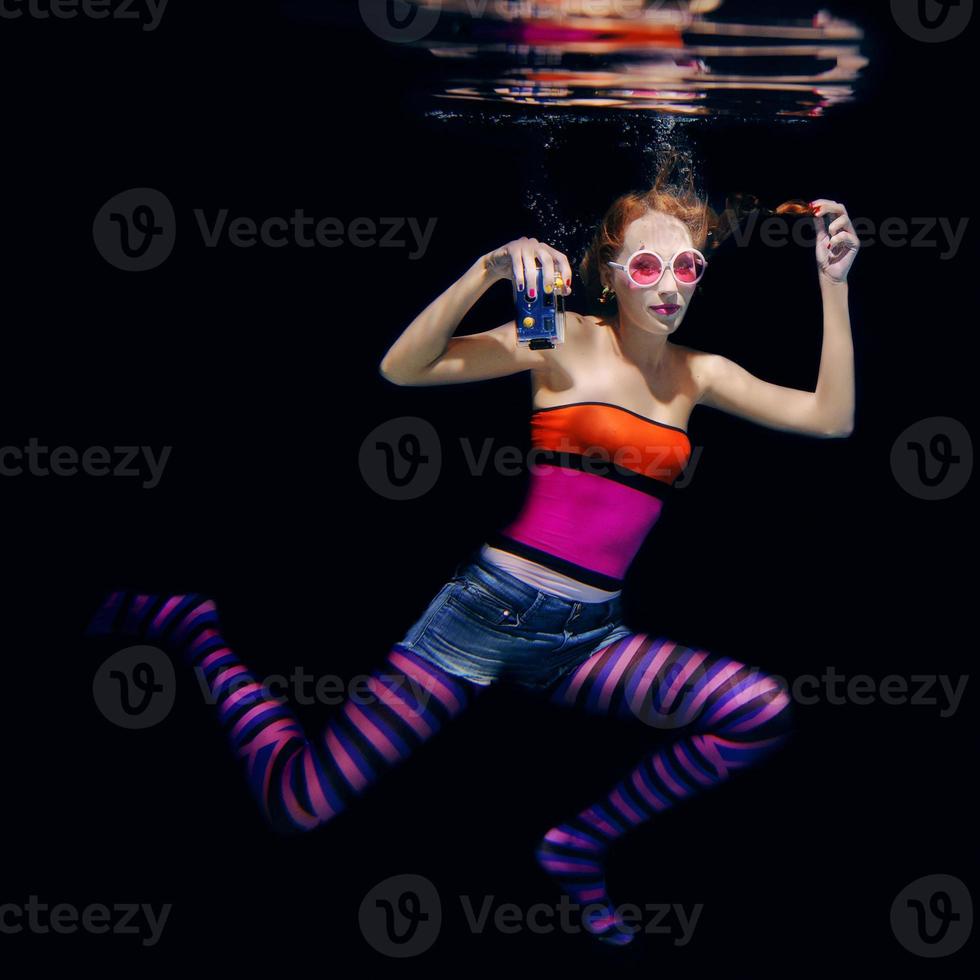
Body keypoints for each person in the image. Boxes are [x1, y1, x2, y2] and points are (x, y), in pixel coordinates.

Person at [87, 152, 858, 946]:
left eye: (687, 265)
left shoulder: (702, 374)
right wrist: (488, 269)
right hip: (483, 618)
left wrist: (832, 284)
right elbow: (402, 368)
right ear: (612, 269)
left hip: (588, 641)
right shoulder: (555, 333)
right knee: (299, 805)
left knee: (758, 713)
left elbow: (831, 420)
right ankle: (198, 629)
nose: (669, 285)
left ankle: (578, 843)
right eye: (649, 264)